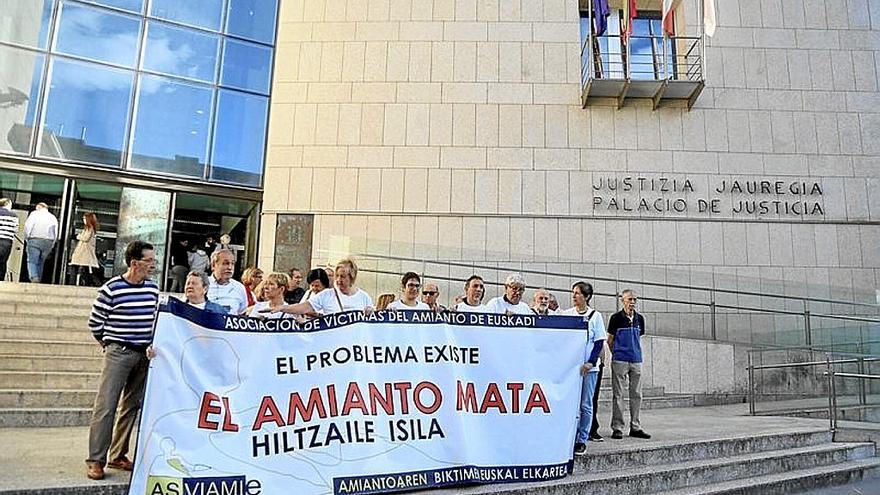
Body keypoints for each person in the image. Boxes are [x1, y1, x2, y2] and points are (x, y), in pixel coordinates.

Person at [85, 241, 159, 481]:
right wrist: (109, 344)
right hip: (119, 352)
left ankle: (118, 454)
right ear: (135, 262)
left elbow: (156, 320)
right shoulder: (111, 289)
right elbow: (95, 323)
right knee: (106, 406)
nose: (153, 265)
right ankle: (96, 459)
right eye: (149, 260)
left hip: (143, 354)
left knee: (131, 406)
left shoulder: (152, 289)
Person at [559, 282, 606, 455]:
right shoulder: (568, 314)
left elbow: (599, 342)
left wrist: (591, 362)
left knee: (586, 404)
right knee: (570, 402)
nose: (574, 296)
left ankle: (582, 439)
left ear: (586, 297)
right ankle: (569, 435)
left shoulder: (595, 316)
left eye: (578, 293)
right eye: (573, 293)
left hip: (588, 369)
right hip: (572, 367)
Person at [607, 289, 650, 440]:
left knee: (636, 394)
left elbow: (639, 337)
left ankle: (635, 426)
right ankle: (617, 427)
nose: (632, 302)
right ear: (622, 300)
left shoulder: (640, 319)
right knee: (618, 394)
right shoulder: (615, 318)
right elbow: (610, 340)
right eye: (629, 299)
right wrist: (617, 353)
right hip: (620, 359)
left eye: (634, 300)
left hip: (636, 359)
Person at [274, 258, 373, 316]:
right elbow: (304, 307)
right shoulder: (326, 295)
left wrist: (370, 313)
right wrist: (283, 308)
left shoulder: (364, 297)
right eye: (337, 276)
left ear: (352, 277)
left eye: (342, 276)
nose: (338, 280)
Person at [24, 202, 58, 282]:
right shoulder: (53, 217)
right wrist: (52, 244)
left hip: (34, 239)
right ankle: (38, 278)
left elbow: (28, 226)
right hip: (48, 242)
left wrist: (27, 238)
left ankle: (34, 277)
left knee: (32, 260)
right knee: (41, 261)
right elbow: (55, 232)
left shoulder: (34, 214)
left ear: (39, 207)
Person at [207, 249, 248, 315]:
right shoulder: (200, 283)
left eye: (232, 263)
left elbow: (242, 313)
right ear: (213, 265)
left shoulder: (239, 287)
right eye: (225, 263)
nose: (230, 267)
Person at [70, 212, 101, 287]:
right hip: (85, 252)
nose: (83, 220)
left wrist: (77, 236)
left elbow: (85, 238)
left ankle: (73, 283)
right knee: (86, 269)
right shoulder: (90, 229)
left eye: (84, 218)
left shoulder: (89, 229)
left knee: (77, 267)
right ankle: (88, 283)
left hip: (84, 252)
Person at [0, 198, 19, 280]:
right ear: (7, 204)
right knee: (3, 261)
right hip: (7, 241)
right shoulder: (14, 215)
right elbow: (16, 230)